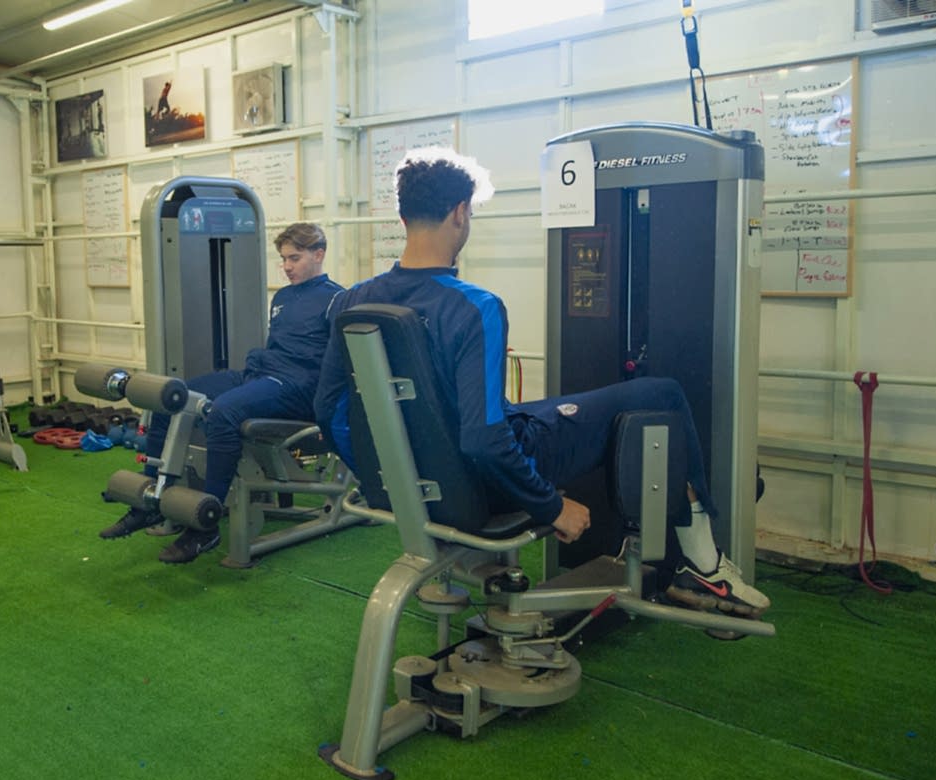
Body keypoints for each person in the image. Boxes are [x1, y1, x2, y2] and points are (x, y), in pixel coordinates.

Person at [312, 147, 769, 618]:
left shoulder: (352, 301)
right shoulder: (475, 307)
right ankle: (704, 565)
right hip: (486, 482)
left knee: (548, 407)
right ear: (460, 213)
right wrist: (551, 506)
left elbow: (328, 412)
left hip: (422, 483)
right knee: (662, 393)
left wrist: (390, 482)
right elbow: (484, 440)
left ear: (403, 216)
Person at [100, 222, 345, 564]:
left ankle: (206, 524)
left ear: (319, 254)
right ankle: (150, 499)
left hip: (298, 386)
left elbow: (339, 365)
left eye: (295, 258)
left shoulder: (336, 299)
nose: (287, 267)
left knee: (224, 411)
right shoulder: (284, 296)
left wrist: (328, 412)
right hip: (261, 374)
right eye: (283, 259)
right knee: (171, 395)